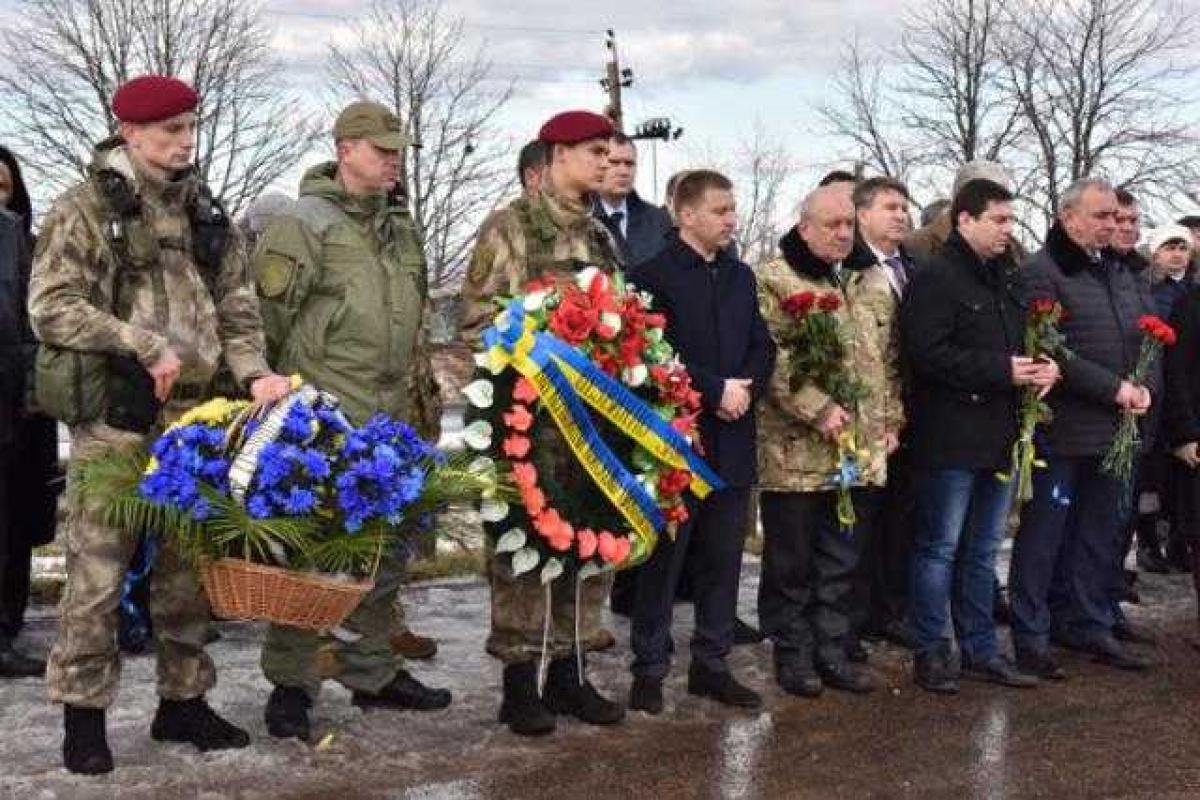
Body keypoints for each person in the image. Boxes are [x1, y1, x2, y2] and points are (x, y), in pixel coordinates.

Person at [29, 75, 293, 774]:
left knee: (187, 574)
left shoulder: (206, 213)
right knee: (97, 572)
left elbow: (237, 308)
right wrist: (141, 342)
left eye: (189, 129)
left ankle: (183, 701)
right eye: (169, 130)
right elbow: (50, 305)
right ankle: (83, 716)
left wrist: (255, 373)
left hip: (196, 420)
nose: (184, 143)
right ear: (130, 133)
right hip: (118, 416)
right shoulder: (85, 208)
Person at [252, 101, 449, 742]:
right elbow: (268, 324)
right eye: (380, 148)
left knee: (382, 551)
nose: (392, 159)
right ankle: (291, 682)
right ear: (344, 149)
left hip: (390, 416)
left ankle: (372, 671)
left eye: (397, 150)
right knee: (309, 551)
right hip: (323, 417)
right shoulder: (302, 223)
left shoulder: (400, 226)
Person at [460, 109, 625, 737]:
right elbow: (476, 320)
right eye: (593, 153)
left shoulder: (602, 236)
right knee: (523, 550)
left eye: (610, 154)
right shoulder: (512, 226)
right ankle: (518, 682)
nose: (606, 164)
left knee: (587, 546)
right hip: (527, 422)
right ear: (555, 157)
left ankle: (570, 672)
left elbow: (620, 324)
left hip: (592, 424)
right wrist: (542, 345)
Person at [626, 170, 776, 714]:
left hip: (734, 437)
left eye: (732, 209)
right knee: (665, 562)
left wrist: (744, 389)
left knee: (724, 558)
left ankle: (711, 664)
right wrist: (712, 389)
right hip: (676, 443)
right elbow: (647, 354)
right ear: (685, 215)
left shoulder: (740, 277)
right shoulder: (650, 276)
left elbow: (763, 346)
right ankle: (649, 667)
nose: (731, 219)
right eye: (719, 210)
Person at [902, 179, 1056, 694]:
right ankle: (932, 651)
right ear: (964, 220)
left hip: (998, 434)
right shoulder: (936, 277)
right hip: (949, 436)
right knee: (939, 548)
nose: (1007, 231)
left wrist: (1041, 367)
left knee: (983, 551)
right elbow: (926, 354)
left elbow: (1020, 344)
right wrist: (1002, 371)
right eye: (998, 220)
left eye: (1011, 221)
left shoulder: (1005, 277)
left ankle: (981, 649)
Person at [755, 186, 903, 698]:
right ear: (805, 227)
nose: (842, 233)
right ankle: (793, 655)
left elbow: (888, 359)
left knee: (842, 561)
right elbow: (772, 360)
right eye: (831, 224)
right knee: (792, 564)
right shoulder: (774, 280)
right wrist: (817, 407)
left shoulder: (871, 279)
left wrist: (891, 419)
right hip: (795, 453)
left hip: (858, 451)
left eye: (848, 225)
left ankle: (833, 649)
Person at [1010, 178, 1157, 677]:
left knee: (1099, 533)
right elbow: (1051, 348)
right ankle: (1032, 632)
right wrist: (1115, 388)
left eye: (1116, 217)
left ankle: (1088, 622)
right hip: (1067, 428)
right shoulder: (1040, 271)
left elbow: (1146, 337)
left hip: (1118, 428)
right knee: (1045, 536)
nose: (1112, 224)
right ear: (1068, 217)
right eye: (1101, 216)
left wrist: (1144, 388)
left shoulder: (1118, 272)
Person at [845, 177, 918, 655]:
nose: (901, 215)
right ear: (862, 214)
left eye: (904, 207)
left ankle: (890, 610)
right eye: (890, 207)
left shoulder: (912, 267)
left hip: (910, 415)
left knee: (900, 519)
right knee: (860, 524)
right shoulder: (849, 269)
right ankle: (855, 617)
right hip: (864, 418)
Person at [0, 146, 60, 677]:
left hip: (30, 407)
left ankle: (8, 626)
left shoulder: (36, 249)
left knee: (20, 523)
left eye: (4, 187)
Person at [591, 133, 673, 267]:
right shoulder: (578, 218)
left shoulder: (659, 220)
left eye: (629, 164)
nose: (624, 171)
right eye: (614, 163)